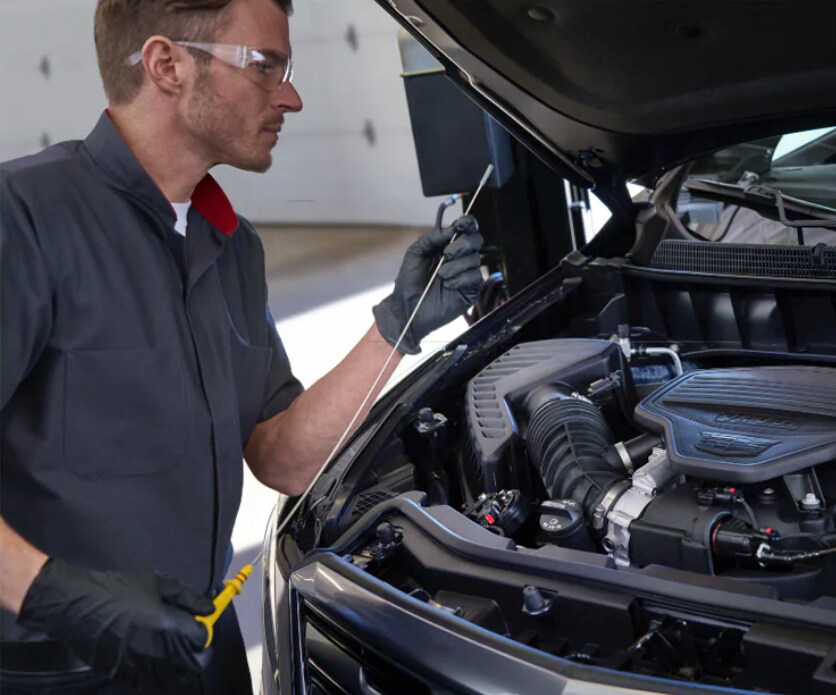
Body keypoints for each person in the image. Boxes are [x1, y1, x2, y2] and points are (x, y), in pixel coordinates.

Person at [0, 0, 484, 692]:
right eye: (265, 65)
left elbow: (283, 458)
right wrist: (57, 594)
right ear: (167, 65)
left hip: (203, 646)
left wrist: (396, 325)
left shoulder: (232, 247)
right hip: (56, 668)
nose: (290, 96)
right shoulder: (23, 217)